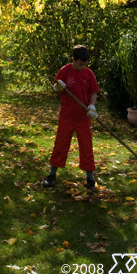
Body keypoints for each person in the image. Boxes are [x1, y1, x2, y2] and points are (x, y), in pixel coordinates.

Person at [43, 44, 100, 190]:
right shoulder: (65, 71)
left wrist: (92, 106)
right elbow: (56, 86)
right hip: (67, 116)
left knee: (86, 146)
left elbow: (93, 91)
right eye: (80, 64)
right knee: (61, 144)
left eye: (85, 64)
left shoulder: (89, 74)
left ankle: (90, 177)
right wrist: (58, 87)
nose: (83, 67)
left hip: (83, 117)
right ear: (73, 59)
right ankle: (52, 174)